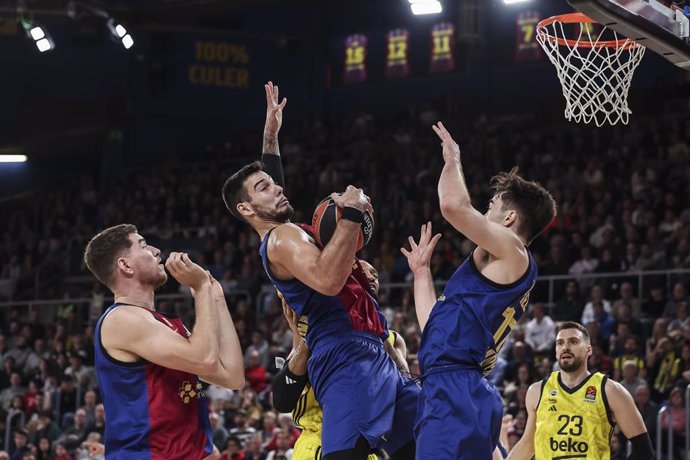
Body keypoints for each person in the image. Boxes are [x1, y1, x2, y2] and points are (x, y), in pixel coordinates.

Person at [223, 83, 418, 459]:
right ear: (247, 210)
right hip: (344, 351)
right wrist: (352, 217)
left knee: (425, 446)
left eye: (274, 184)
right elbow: (328, 281)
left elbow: (334, 269)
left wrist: (270, 137)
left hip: (374, 347)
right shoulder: (280, 239)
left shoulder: (292, 231)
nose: (278, 189)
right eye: (264, 188)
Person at [401, 122, 557, 459]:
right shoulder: (492, 270)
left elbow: (453, 206)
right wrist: (422, 275)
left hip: (456, 389)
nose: (484, 213)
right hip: (454, 386)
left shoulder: (515, 252)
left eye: (490, 207)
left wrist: (452, 159)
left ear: (510, 218)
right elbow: (433, 326)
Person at [83, 224, 245, 459]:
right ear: (125, 265)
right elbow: (206, 359)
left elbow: (232, 376)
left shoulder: (162, 325)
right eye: (143, 245)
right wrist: (200, 289)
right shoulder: (121, 319)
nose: (157, 251)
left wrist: (215, 298)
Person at [272, 260, 410, 460]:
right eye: (363, 272)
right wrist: (305, 340)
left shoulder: (393, 339)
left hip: (367, 444)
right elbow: (282, 400)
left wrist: (382, 341)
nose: (371, 277)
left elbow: (401, 386)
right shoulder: (317, 332)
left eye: (376, 275)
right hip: (318, 442)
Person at [506, 322, 653, 459]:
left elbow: (643, 449)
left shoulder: (610, 390)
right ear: (556, 352)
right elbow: (528, 444)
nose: (565, 347)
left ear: (588, 350)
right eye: (560, 343)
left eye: (573, 341)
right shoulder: (537, 391)